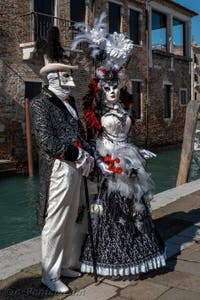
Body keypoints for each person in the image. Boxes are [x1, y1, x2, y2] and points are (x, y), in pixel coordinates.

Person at [72, 14, 166, 277]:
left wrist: (138, 151)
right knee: (114, 212)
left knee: (138, 208)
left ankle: (139, 256)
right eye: (108, 87)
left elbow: (126, 136)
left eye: (116, 86)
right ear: (102, 88)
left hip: (130, 163)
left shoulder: (126, 108)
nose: (112, 91)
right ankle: (111, 259)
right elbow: (92, 138)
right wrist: (101, 160)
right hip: (111, 165)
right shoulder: (96, 110)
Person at [30, 27, 94, 293]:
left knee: (72, 219)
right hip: (58, 169)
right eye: (65, 74)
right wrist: (76, 154)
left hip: (76, 168)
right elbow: (46, 141)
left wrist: (88, 153)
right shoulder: (40, 104)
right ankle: (49, 273)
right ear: (53, 77)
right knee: (56, 221)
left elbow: (81, 133)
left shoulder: (70, 103)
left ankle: (66, 263)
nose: (69, 78)